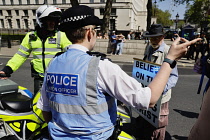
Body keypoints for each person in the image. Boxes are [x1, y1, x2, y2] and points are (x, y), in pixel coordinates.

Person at [37, 5, 201, 140]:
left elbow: (46, 111)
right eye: (95, 29)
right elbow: (148, 99)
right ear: (89, 32)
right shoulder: (100, 66)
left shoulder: (53, 63)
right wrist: (170, 59)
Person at [0, 5, 72, 94]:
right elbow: (20, 55)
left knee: (57, 105)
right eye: (49, 20)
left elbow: (72, 53)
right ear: (41, 20)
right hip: (39, 79)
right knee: (37, 105)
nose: (52, 23)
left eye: (55, 21)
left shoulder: (61, 36)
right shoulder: (31, 37)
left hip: (57, 79)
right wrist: (7, 70)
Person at [137, 24, 178, 140]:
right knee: (146, 124)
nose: (153, 40)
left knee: (158, 127)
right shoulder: (149, 48)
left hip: (161, 98)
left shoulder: (168, 52)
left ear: (163, 37)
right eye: (151, 37)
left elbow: (174, 76)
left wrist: (160, 90)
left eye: (156, 37)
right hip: (147, 93)